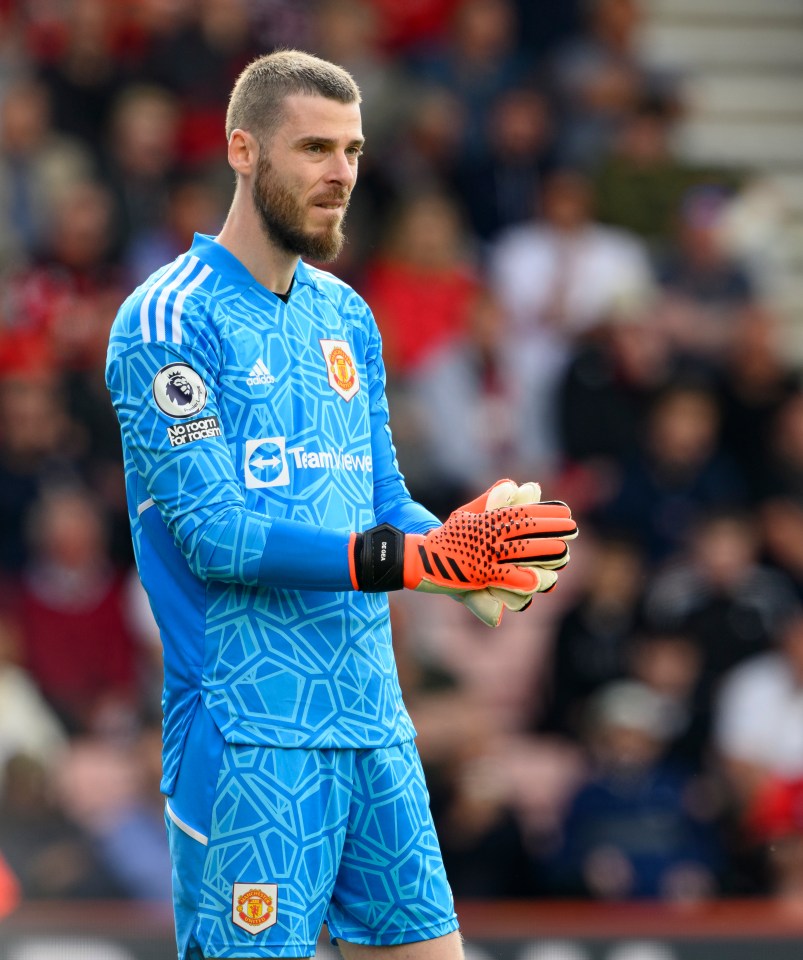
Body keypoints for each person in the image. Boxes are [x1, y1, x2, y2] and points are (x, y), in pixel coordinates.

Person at [105, 50, 577, 960]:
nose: (341, 175)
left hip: (371, 720)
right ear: (242, 151)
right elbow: (216, 536)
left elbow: (383, 502)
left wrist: (461, 552)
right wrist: (402, 562)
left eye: (353, 151)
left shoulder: (345, 315)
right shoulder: (167, 319)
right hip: (248, 731)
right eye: (314, 148)